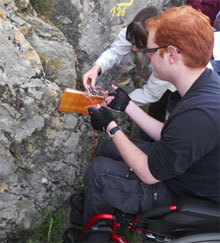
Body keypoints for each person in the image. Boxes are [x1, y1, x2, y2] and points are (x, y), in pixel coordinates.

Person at [80, 5, 220, 240]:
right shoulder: (203, 86)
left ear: (172, 54)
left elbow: (148, 173)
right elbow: (169, 134)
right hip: (185, 172)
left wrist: (110, 127)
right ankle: (102, 211)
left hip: (183, 193)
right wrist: (127, 106)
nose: (147, 58)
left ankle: (95, 234)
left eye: (151, 52)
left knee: (98, 172)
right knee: (107, 148)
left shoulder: (198, 115)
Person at [82, 6, 176, 122]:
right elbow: (116, 51)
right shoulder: (137, 30)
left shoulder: (169, 59)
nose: (135, 49)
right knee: (155, 111)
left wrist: (116, 102)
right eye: (133, 43)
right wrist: (96, 68)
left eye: (141, 47)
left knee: (168, 115)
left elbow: (150, 93)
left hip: (182, 88)